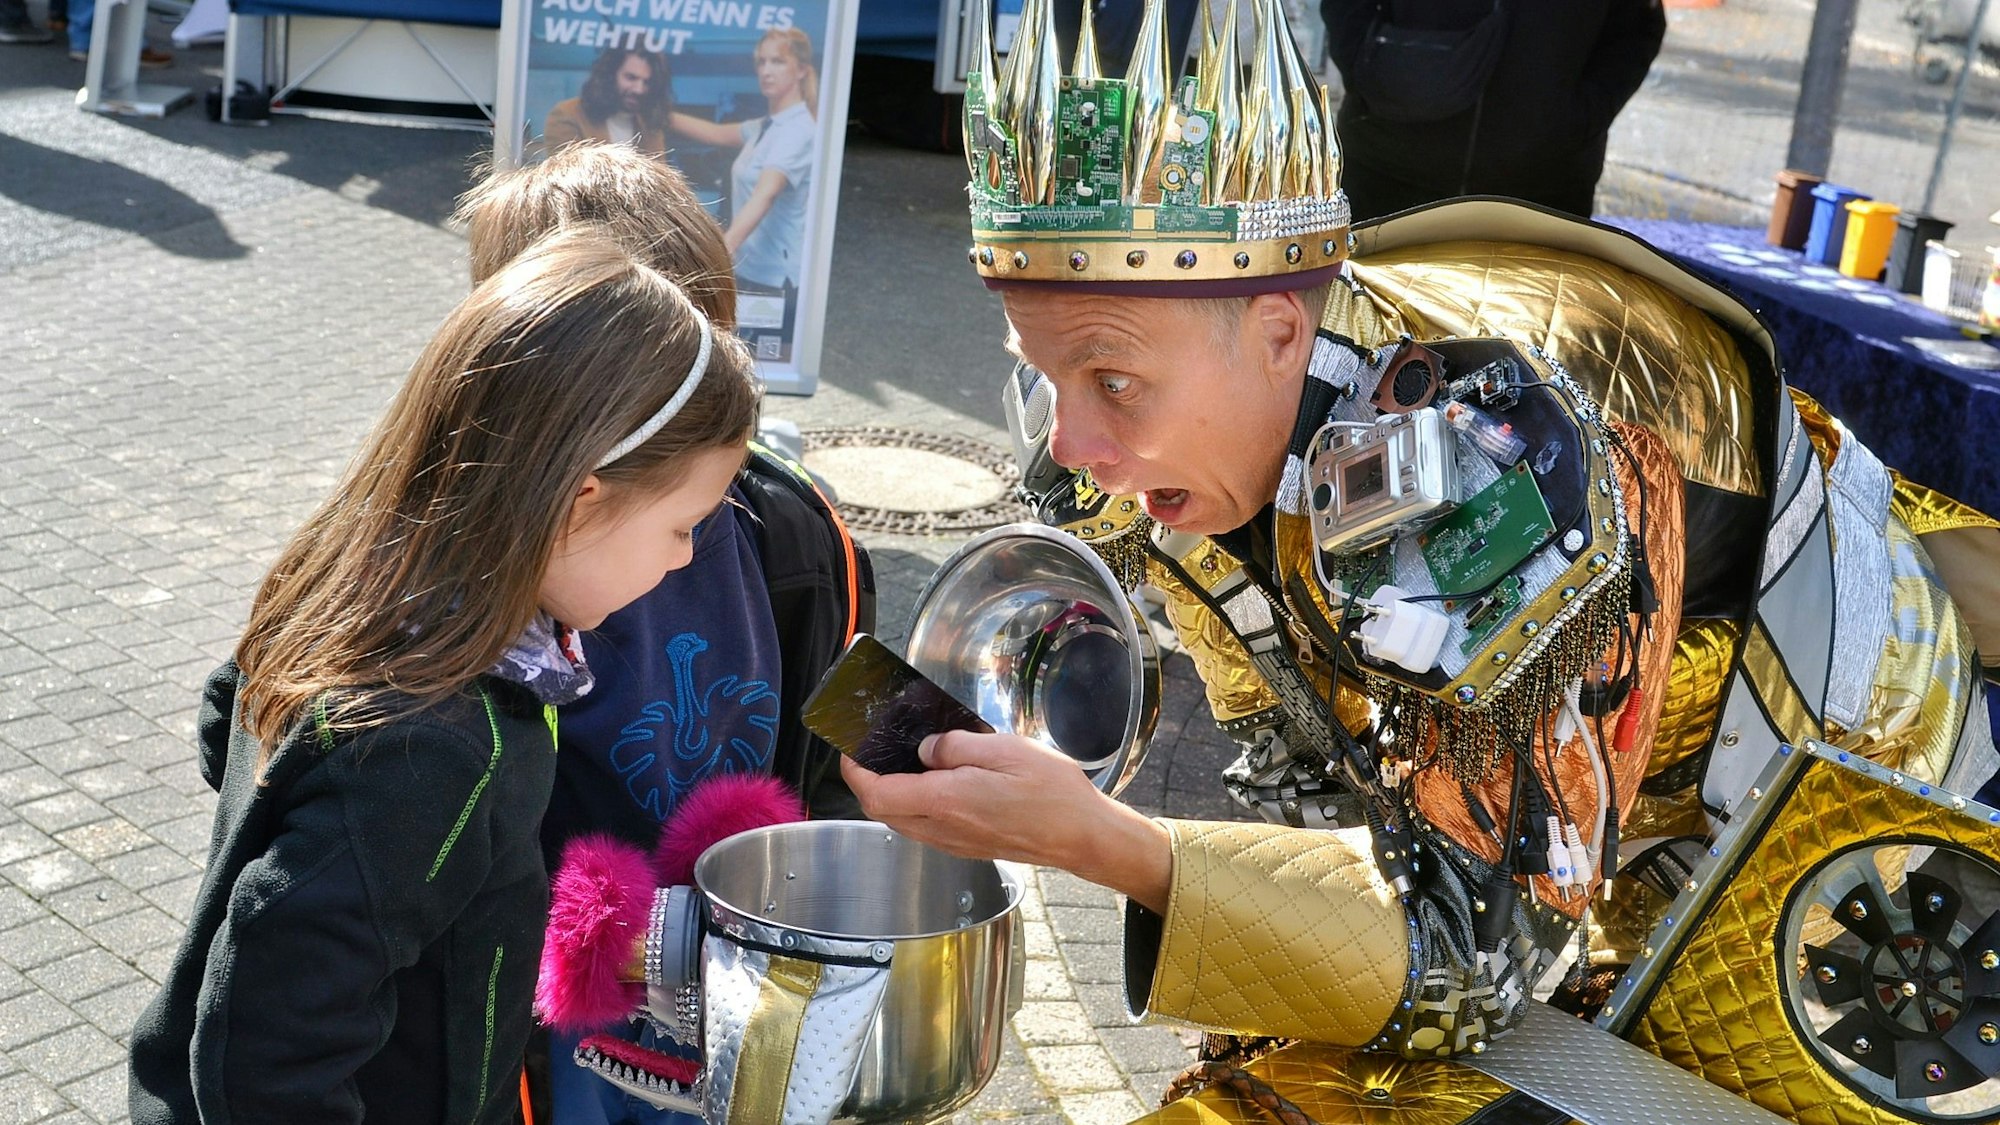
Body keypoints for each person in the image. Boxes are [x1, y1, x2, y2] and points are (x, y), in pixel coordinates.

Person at [835, 0, 2000, 1119]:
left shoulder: (1490, 465)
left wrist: (1107, 847)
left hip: (1823, 780)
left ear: (1282, 333)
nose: (1068, 444)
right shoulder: (1182, 409)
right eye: (1040, 371)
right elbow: (1293, 742)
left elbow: (1474, 976)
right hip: (1568, 762)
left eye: (1112, 382)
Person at [126, 229, 763, 1125]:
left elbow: (222, 716)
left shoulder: (358, 581)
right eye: (680, 524)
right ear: (579, 498)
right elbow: (268, 1055)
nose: (689, 554)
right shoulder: (434, 747)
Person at [452, 141, 873, 1125]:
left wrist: (950, 754)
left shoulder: (796, 532)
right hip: (551, 1039)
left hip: (741, 1007)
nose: (701, 408)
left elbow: (854, 722)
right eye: (654, 383)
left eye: (710, 358)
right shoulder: (464, 586)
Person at [1319, 0, 1665, 220]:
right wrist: (1368, 70)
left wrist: (1575, 119)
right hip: (1384, 179)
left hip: (1542, 201)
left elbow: (1637, 28)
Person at [669, 29, 817, 292]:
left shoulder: (798, 130)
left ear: (802, 70)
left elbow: (766, 195)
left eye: (778, 61)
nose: (766, 71)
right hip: (750, 267)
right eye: (761, 62)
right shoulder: (764, 126)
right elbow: (714, 133)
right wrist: (660, 115)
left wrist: (721, 253)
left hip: (774, 277)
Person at [545, 48, 675, 157]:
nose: (639, 90)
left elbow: (659, 181)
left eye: (647, 82)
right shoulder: (567, 114)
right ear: (610, 75)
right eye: (631, 78)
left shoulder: (648, 124)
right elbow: (567, 178)